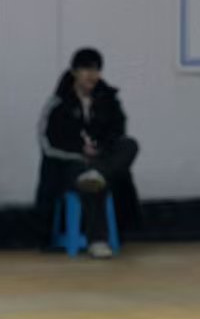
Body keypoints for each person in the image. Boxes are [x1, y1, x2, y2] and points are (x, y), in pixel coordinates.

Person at [36, 48, 139, 258]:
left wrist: (100, 149)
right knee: (88, 178)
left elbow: (118, 131)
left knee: (129, 145)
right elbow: (48, 142)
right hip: (69, 163)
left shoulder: (109, 100)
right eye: (86, 69)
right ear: (74, 72)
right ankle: (98, 240)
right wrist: (80, 151)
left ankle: (98, 172)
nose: (92, 75)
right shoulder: (58, 103)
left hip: (101, 160)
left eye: (96, 70)